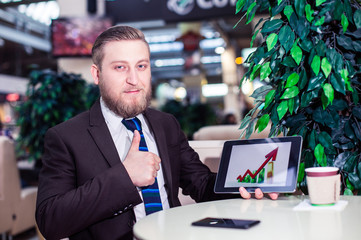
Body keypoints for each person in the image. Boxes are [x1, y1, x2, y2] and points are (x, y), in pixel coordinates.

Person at [36, 26, 278, 240]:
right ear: (97, 74)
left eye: (141, 66)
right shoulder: (66, 137)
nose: (134, 79)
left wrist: (243, 184)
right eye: (120, 67)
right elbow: (51, 221)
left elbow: (201, 184)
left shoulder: (166, 124)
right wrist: (125, 177)